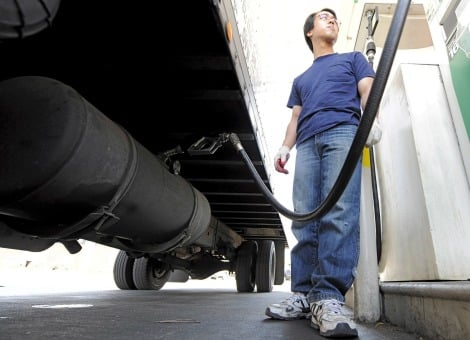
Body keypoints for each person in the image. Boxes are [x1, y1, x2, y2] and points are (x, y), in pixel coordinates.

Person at [265, 8, 378, 338]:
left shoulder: (353, 59)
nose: (332, 20)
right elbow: (295, 119)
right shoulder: (301, 80)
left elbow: (368, 89)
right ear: (309, 32)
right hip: (308, 145)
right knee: (304, 218)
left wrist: (371, 121)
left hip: (344, 132)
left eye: (335, 18)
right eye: (324, 17)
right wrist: (285, 148)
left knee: (340, 211)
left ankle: (328, 297)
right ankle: (302, 294)